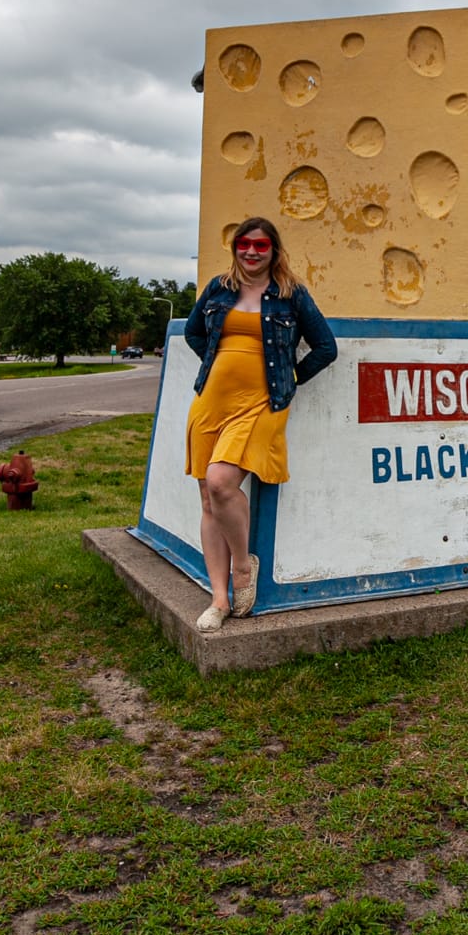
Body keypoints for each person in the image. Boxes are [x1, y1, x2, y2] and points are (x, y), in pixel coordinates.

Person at [183, 215, 337, 632]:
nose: (251, 252)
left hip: (261, 403)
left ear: (273, 250)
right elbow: (194, 334)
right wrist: (218, 368)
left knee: (220, 482)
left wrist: (291, 377)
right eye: (243, 245)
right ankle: (218, 600)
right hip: (211, 401)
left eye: (260, 245)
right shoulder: (218, 288)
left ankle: (242, 569)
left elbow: (326, 347)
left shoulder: (291, 294)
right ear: (235, 249)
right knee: (207, 497)